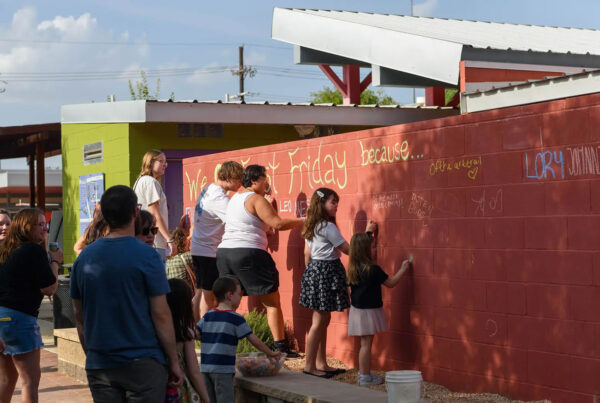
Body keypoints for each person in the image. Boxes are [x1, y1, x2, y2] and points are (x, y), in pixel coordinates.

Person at [70, 185, 183, 402]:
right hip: (143, 362)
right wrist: (173, 361)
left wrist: (92, 356)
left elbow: (79, 316)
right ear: (134, 212)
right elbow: (161, 314)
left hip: (101, 363)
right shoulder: (147, 256)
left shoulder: (83, 258)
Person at [217, 164, 302, 356]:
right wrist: (303, 220)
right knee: (271, 301)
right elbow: (277, 223)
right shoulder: (256, 199)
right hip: (248, 252)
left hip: (225, 253)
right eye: (265, 179)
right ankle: (281, 347)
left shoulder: (234, 199)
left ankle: (222, 343)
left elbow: (258, 226)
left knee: (228, 302)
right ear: (254, 180)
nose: (268, 183)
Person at [299, 188, 376, 378]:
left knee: (323, 319)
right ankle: (309, 366)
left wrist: (311, 275)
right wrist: (367, 235)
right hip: (326, 270)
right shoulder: (327, 227)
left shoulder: (312, 225)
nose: (336, 206)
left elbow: (306, 254)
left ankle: (320, 363)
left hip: (315, 270)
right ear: (322, 204)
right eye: (333, 202)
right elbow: (350, 250)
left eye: (337, 202)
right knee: (319, 320)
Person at [0, 208, 63, 403]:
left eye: (46, 224)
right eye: (40, 224)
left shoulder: (7, 250)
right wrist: (55, 261)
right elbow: (49, 288)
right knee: (30, 381)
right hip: (20, 319)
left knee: (6, 379)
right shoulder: (32, 250)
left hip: (2, 319)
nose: (45, 229)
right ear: (26, 227)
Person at [196, 276, 279, 403]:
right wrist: (270, 353)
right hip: (222, 370)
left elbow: (196, 333)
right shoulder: (235, 319)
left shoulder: (208, 315)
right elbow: (253, 339)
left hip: (205, 368)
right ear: (229, 295)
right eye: (239, 294)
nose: (241, 297)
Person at [347, 232, 411, 386]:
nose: (375, 249)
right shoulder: (373, 270)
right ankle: (364, 376)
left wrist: (368, 231)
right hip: (369, 311)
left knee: (364, 343)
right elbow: (391, 283)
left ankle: (365, 374)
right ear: (365, 250)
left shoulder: (352, 269)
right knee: (366, 344)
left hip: (357, 310)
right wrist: (403, 269)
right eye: (372, 247)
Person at [190, 161, 243, 320]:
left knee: (200, 291)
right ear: (228, 178)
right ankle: (204, 329)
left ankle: (195, 328)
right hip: (208, 251)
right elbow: (235, 219)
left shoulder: (208, 189)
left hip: (198, 247)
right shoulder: (220, 198)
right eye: (238, 179)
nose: (240, 183)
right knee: (209, 296)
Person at [165, 278, 209, 403]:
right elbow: (194, 372)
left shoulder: (155, 331)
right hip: (178, 392)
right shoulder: (185, 333)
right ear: (183, 304)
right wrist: (207, 399)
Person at [133, 149, 171, 264]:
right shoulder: (150, 182)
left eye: (166, 161)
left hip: (144, 240)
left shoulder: (140, 181)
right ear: (150, 162)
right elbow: (154, 214)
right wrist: (169, 239)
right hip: (154, 242)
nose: (165, 164)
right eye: (161, 161)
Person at [167, 228, 199, 320]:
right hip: (185, 296)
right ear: (184, 242)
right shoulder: (187, 256)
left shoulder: (167, 260)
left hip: (170, 297)